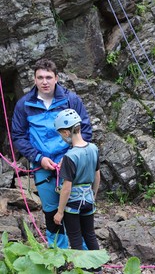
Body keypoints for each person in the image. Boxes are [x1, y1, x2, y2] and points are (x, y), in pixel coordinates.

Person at [11, 58, 92, 248]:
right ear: (34, 79)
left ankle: (86, 256)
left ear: (56, 78)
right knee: (50, 212)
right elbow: (19, 135)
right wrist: (39, 157)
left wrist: (71, 155)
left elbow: (85, 130)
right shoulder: (25, 105)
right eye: (40, 77)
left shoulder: (71, 100)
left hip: (70, 163)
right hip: (43, 166)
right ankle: (58, 256)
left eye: (48, 77)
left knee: (77, 209)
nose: (44, 81)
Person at [53, 109, 100, 251]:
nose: (62, 137)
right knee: (90, 235)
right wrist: (93, 195)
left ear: (67, 133)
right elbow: (97, 176)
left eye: (61, 133)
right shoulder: (93, 148)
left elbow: (66, 187)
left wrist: (60, 212)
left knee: (75, 238)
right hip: (88, 200)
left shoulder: (70, 156)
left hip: (73, 203)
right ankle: (97, 269)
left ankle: (80, 270)